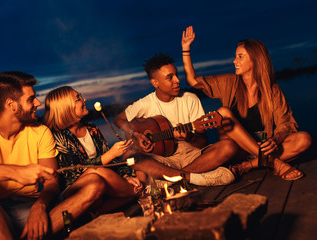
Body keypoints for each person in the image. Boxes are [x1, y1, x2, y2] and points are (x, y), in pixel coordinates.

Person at [0, 71, 111, 240]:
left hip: (30, 208)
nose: (38, 103)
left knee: (94, 184)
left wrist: (40, 207)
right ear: (11, 105)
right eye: (31, 99)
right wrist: (16, 172)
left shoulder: (40, 132)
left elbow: (52, 181)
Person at [181, 26, 312, 180]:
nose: (234, 61)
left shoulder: (273, 91)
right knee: (223, 112)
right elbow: (193, 81)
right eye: (236, 56)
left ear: (255, 60)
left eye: (240, 56)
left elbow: (287, 123)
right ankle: (274, 163)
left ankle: (248, 166)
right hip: (237, 150)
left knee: (304, 139)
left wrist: (275, 140)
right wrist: (186, 48)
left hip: (261, 148)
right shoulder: (229, 83)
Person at [114, 53, 237, 187]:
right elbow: (119, 119)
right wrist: (135, 134)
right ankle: (194, 177)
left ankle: (172, 179)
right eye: (170, 77)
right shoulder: (145, 104)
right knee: (131, 157)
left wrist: (190, 137)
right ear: (155, 83)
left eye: (176, 75)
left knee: (229, 146)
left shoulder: (190, 99)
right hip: (162, 160)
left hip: (192, 156)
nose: (177, 80)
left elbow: (202, 143)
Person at [44, 86, 144, 216]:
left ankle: (95, 213)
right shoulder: (57, 137)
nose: (84, 99)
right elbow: (73, 173)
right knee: (98, 172)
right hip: (74, 190)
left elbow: (112, 161)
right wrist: (109, 155)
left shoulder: (92, 128)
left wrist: (125, 176)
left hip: (101, 182)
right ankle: (138, 193)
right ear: (66, 107)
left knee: (138, 166)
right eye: (78, 98)